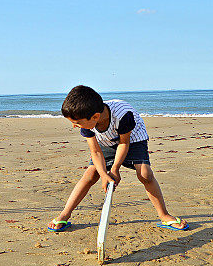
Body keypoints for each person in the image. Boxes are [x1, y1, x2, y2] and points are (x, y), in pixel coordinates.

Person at [48, 85, 188, 232]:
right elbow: (95, 152)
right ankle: (65, 213)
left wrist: (115, 169)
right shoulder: (86, 122)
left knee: (145, 174)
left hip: (132, 139)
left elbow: (124, 143)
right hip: (106, 141)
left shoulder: (123, 115)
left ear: (95, 117)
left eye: (77, 123)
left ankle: (164, 215)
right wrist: (103, 175)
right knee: (90, 174)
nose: (74, 126)